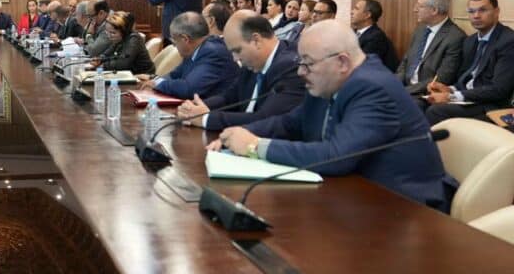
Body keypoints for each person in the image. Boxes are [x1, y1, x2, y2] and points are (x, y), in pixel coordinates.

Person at [211, 20, 448, 211]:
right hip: (351, 195)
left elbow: (336, 156)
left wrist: (254, 146)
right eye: (300, 63)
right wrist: (233, 137)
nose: (301, 72)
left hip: (403, 208)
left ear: (342, 62)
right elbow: (289, 123)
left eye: (308, 64)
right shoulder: (328, 81)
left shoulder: (374, 88)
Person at [177, 12, 305, 131]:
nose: (235, 58)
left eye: (237, 51)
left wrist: (205, 119)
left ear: (256, 40)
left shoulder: (291, 67)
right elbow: (228, 97)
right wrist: (196, 107)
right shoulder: (253, 62)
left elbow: (265, 119)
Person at [424, 0, 514, 124]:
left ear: (497, 12)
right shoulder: (470, 41)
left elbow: (499, 90)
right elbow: (466, 77)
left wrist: (452, 96)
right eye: (471, 11)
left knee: (436, 111)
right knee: (421, 102)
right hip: (469, 99)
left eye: (483, 10)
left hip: (492, 105)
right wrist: (450, 89)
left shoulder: (508, 41)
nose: (476, 16)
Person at [139, 12, 236, 99]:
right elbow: (174, 75)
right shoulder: (196, 50)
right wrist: (153, 80)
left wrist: (157, 84)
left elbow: (189, 89)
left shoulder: (213, 52)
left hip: (216, 113)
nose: (174, 46)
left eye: (174, 42)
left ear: (185, 39)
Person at [396, 0, 465, 95]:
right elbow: (405, 63)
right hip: (405, 89)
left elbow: (442, 78)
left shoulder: (455, 37)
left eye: (420, 6)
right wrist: (395, 86)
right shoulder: (420, 30)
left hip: (426, 94)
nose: (415, 10)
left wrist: (403, 92)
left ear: (434, 10)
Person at [350, 0, 400, 71]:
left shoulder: (376, 37)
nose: (351, 12)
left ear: (367, 15)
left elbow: (361, 64)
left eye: (356, 9)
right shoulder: (351, 33)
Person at [98, 11, 154, 76]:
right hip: (130, 75)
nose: (109, 36)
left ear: (124, 31)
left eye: (113, 33)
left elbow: (123, 63)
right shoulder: (119, 39)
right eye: (107, 32)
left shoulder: (134, 39)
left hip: (143, 77)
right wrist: (98, 59)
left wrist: (104, 65)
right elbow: (106, 54)